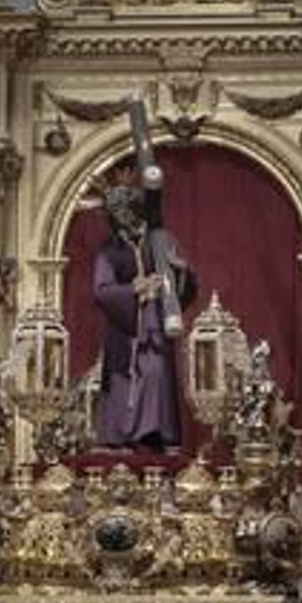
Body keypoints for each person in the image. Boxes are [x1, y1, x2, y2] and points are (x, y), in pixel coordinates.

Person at [92, 98, 198, 451]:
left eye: (129, 210)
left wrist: (177, 275)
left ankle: (157, 435)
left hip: (153, 325)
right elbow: (102, 290)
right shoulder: (110, 251)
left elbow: (183, 280)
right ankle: (120, 438)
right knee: (124, 382)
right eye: (118, 212)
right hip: (125, 334)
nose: (125, 216)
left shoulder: (158, 239)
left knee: (154, 375)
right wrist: (133, 290)